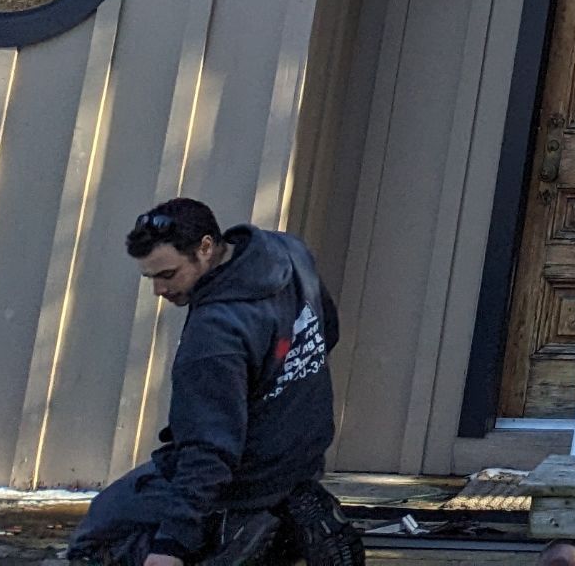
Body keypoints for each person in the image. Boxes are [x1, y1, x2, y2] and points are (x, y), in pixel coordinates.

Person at [66, 200, 360, 566]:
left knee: (94, 541)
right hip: (300, 455)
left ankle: (234, 533)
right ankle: (282, 512)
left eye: (168, 274)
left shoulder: (215, 334)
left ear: (205, 248)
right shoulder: (287, 252)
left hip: (245, 477)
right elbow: (326, 331)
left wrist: (171, 546)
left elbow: (209, 451)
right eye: (150, 277)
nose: (158, 289)